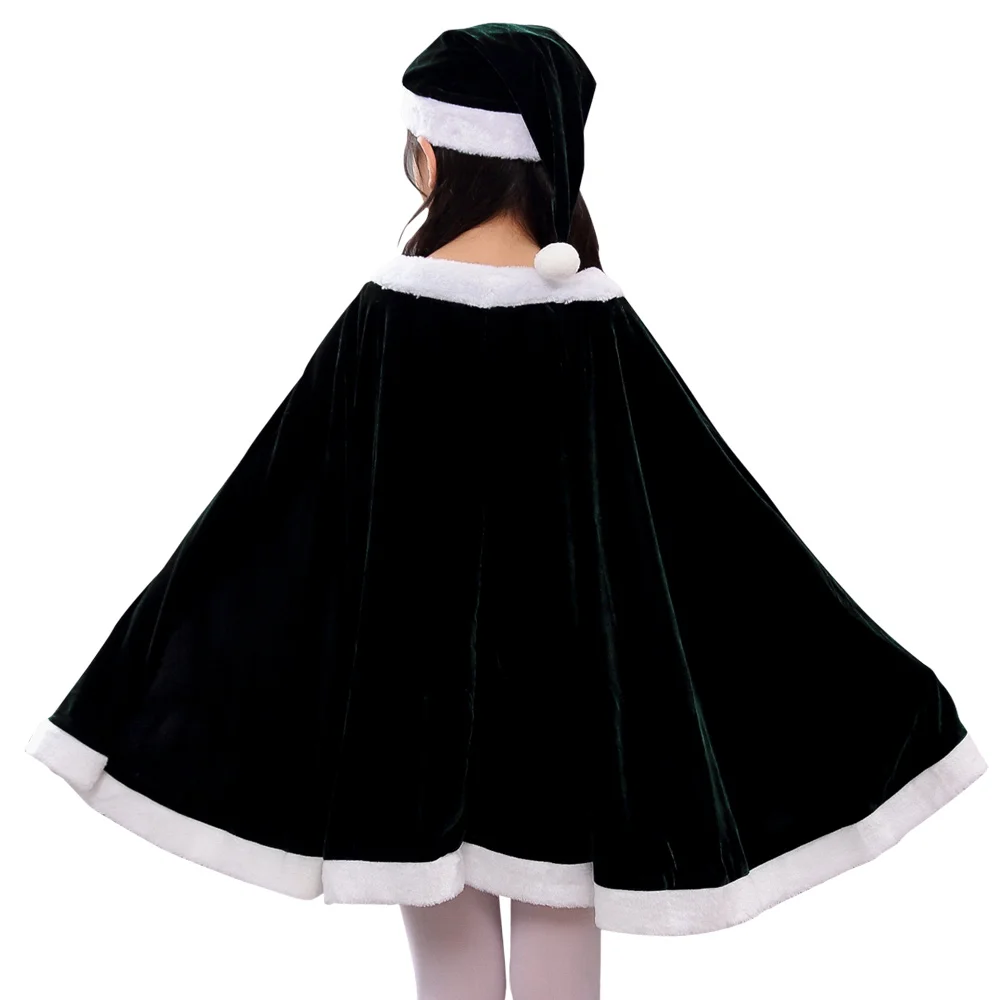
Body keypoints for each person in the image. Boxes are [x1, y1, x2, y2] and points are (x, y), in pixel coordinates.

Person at [24, 22, 987, 1000]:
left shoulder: (387, 323)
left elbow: (272, 507)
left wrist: (139, 670)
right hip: (571, 706)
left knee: (444, 937)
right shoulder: (594, 331)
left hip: (408, 706)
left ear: (433, 155)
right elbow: (711, 515)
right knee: (562, 915)